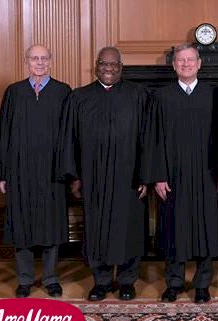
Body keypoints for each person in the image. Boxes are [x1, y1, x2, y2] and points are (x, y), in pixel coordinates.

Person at [57, 46, 152, 301]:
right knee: (96, 228)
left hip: (128, 176)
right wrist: (75, 177)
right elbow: (69, 140)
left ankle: (127, 281)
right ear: (96, 65)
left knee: (129, 228)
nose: (108, 69)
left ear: (121, 68)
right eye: (104, 64)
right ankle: (100, 281)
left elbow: (148, 139)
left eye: (114, 65)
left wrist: (145, 175)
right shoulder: (79, 97)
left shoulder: (138, 95)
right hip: (93, 176)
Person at [149, 43, 218, 303]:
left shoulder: (213, 95)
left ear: (199, 63)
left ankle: (202, 283)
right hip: (173, 173)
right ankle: (175, 282)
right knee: (173, 227)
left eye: (190, 60)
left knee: (205, 226)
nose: (186, 64)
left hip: (206, 171)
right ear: (173, 65)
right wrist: (158, 174)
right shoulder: (161, 97)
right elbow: (153, 139)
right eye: (180, 60)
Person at [0, 44, 71, 298]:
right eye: (34, 58)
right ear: (26, 61)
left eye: (43, 58)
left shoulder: (63, 92)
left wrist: (68, 172)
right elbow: (3, 134)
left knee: (51, 225)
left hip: (53, 172)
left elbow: (70, 136)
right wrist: (3, 173)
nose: (39, 63)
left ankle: (51, 278)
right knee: (22, 225)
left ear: (51, 61)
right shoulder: (15, 92)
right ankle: (25, 279)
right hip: (20, 172)